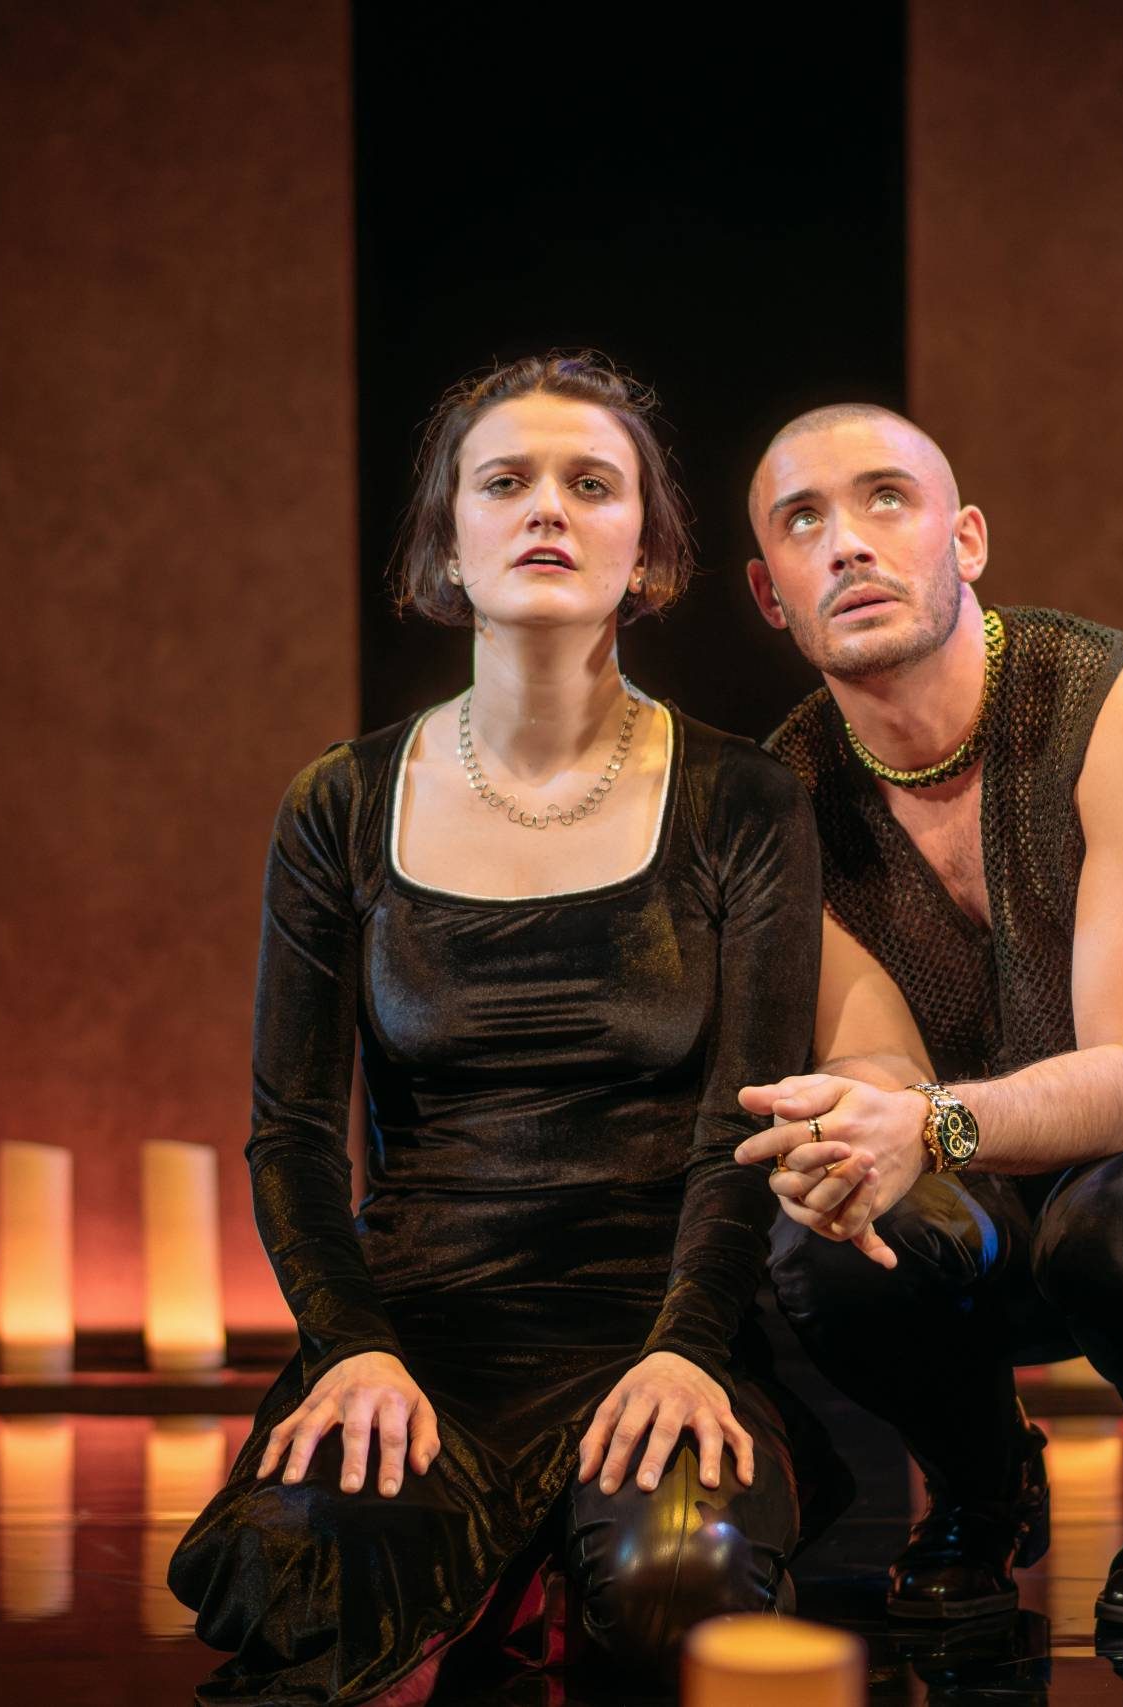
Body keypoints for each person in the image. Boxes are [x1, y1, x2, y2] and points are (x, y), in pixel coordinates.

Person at [170, 354, 827, 1702]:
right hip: (416, 1334)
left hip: (655, 1320)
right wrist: (351, 1345)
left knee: (675, 1590)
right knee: (315, 1583)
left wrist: (687, 1346)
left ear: (648, 552)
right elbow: (291, 1135)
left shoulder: (745, 799)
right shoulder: (339, 803)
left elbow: (742, 1127)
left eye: (591, 484)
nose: (547, 509)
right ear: (446, 544)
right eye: (505, 482)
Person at [730, 403, 1123, 1629]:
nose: (847, 542)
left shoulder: (1122, 704)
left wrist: (923, 1124)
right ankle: (983, 1484)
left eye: (885, 498)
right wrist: (853, 1131)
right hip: (978, 1187)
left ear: (967, 539)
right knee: (821, 1235)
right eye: (803, 520)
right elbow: (879, 1055)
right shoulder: (781, 793)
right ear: (768, 594)